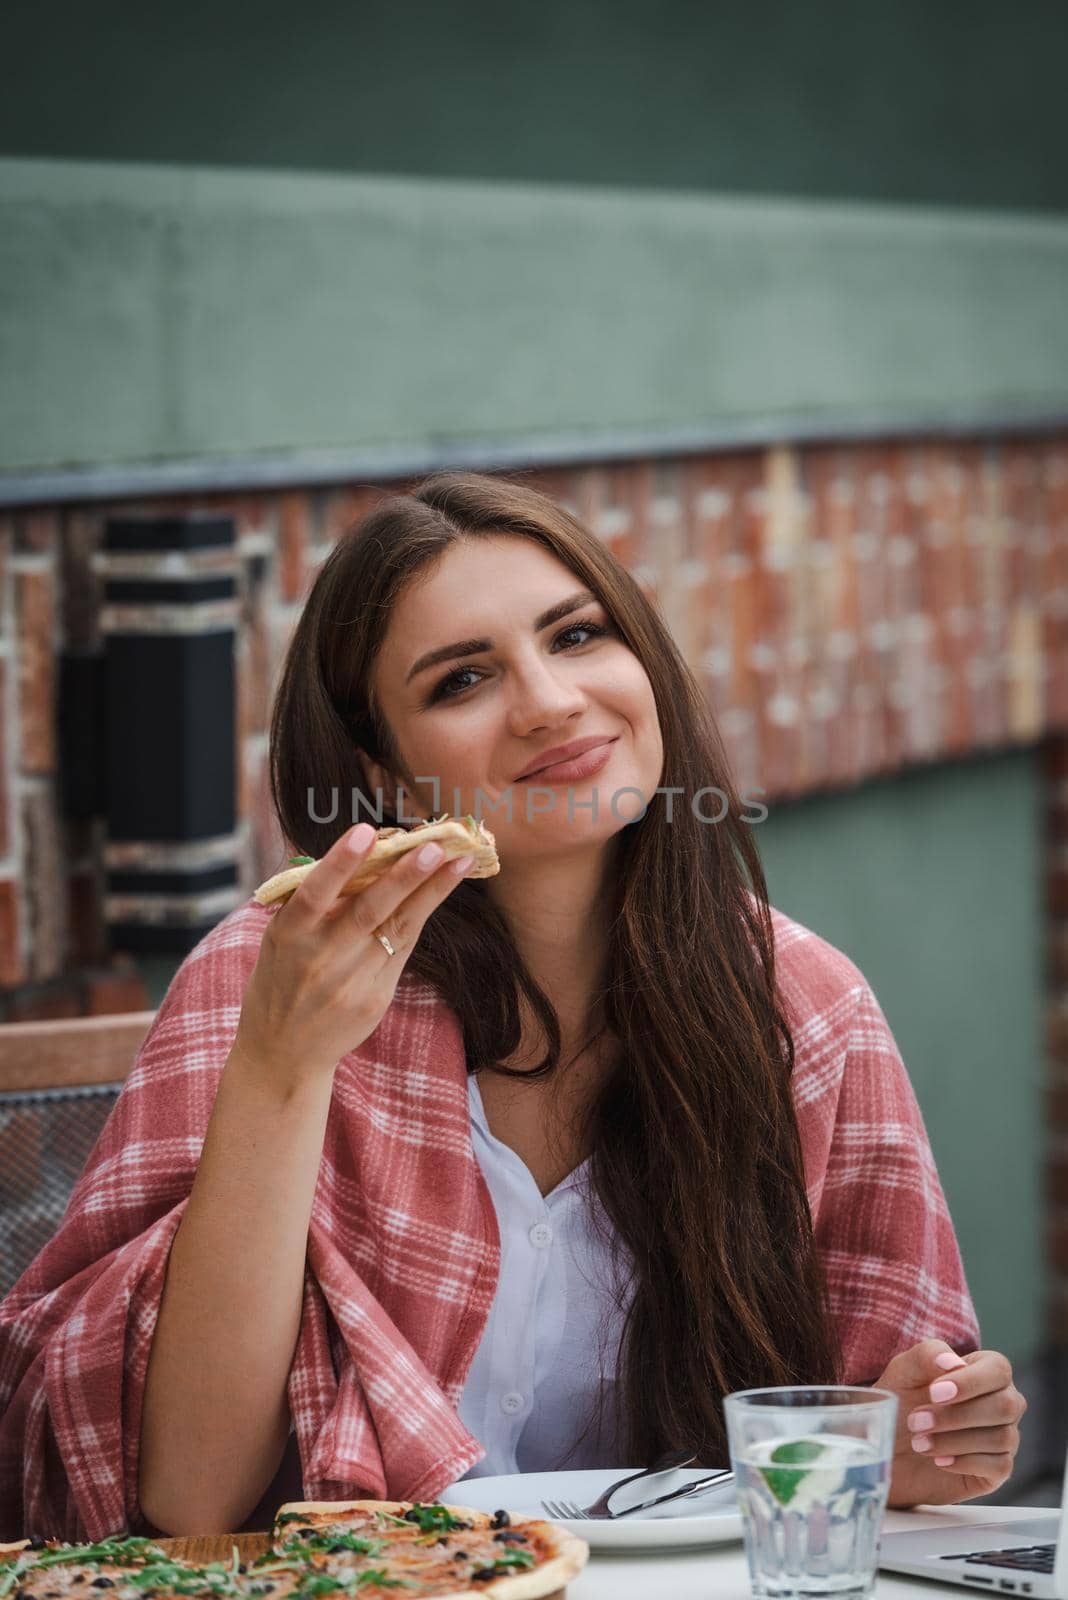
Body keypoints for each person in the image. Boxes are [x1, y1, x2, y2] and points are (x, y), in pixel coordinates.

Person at [0, 472, 1025, 1542]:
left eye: (577, 636)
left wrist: (921, 1439)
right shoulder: (280, 976)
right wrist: (281, 1069)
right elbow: (190, 1498)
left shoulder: (805, 1006)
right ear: (385, 778)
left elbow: (863, 1426)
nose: (548, 700)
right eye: (461, 681)